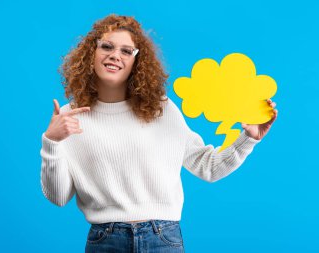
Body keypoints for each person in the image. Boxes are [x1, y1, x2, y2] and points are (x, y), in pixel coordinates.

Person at [40, 14, 278, 253]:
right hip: (106, 240)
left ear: (137, 62)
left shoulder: (161, 109)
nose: (115, 55)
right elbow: (58, 197)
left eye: (126, 51)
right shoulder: (69, 118)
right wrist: (52, 142)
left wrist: (248, 139)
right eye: (107, 47)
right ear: (91, 53)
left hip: (162, 238)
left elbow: (209, 167)